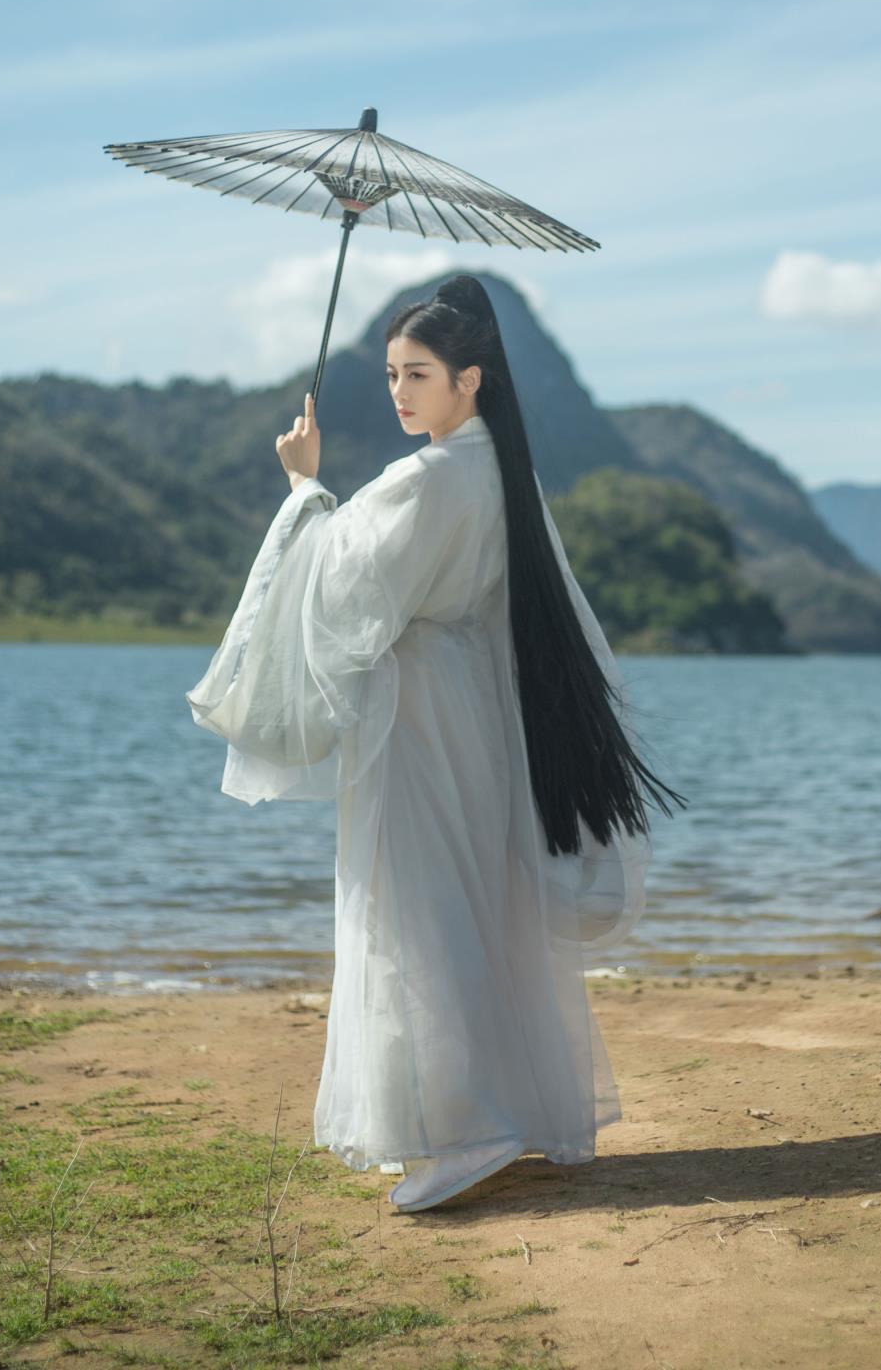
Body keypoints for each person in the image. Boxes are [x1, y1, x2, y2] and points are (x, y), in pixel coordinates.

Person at [186, 274, 686, 1212]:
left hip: (418, 712)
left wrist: (303, 488)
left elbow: (344, 589)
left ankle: (462, 1127)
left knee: (418, 911)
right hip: (477, 708)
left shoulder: (433, 476)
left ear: (471, 380)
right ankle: (506, 1112)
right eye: (389, 375)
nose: (400, 392)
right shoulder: (500, 469)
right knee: (476, 904)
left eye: (419, 374)